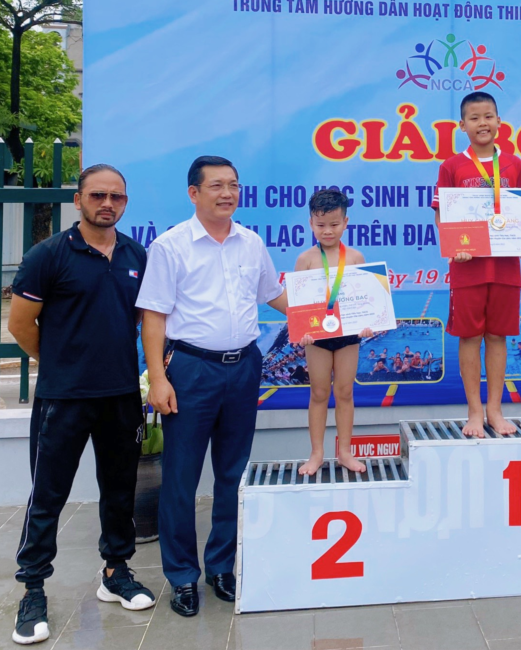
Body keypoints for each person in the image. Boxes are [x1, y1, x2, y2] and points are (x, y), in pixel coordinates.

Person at [7, 164, 156, 644]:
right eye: (97, 195)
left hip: (120, 396)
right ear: (78, 200)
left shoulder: (136, 255)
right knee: (48, 496)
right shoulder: (48, 255)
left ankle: (116, 573)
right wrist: (61, 362)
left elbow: (141, 320)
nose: (107, 203)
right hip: (63, 398)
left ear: (125, 202)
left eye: (116, 196)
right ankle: (33, 591)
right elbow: (20, 325)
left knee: (119, 489)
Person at [139, 156, 290, 617]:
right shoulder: (170, 247)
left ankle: (222, 566)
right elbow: (153, 316)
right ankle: (182, 576)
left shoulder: (251, 242)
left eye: (234, 185)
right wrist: (158, 378)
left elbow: (274, 295)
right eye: (217, 186)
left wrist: (333, 316)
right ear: (194, 193)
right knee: (180, 478)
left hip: (243, 367)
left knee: (232, 473)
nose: (228, 194)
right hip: (192, 371)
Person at [432, 90, 521, 437]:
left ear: (499, 121)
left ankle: (495, 409)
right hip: (468, 267)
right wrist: (454, 246)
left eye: (488, 116)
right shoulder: (451, 166)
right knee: (469, 336)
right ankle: (474, 411)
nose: (483, 123)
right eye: (475, 118)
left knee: (497, 336)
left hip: (505, 266)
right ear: (461, 125)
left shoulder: (514, 164)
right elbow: (442, 215)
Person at [292, 189, 375, 476]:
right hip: (316, 337)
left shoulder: (355, 257)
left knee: (344, 391)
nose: (327, 231)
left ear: (346, 222)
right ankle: (316, 453)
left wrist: (367, 323)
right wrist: (302, 330)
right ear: (311, 224)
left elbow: (365, 299)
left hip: (348, 335)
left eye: (334, 224)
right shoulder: (305, 259)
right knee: (318, 393)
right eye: (321, 224)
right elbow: (298, 304)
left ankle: (345, 452)